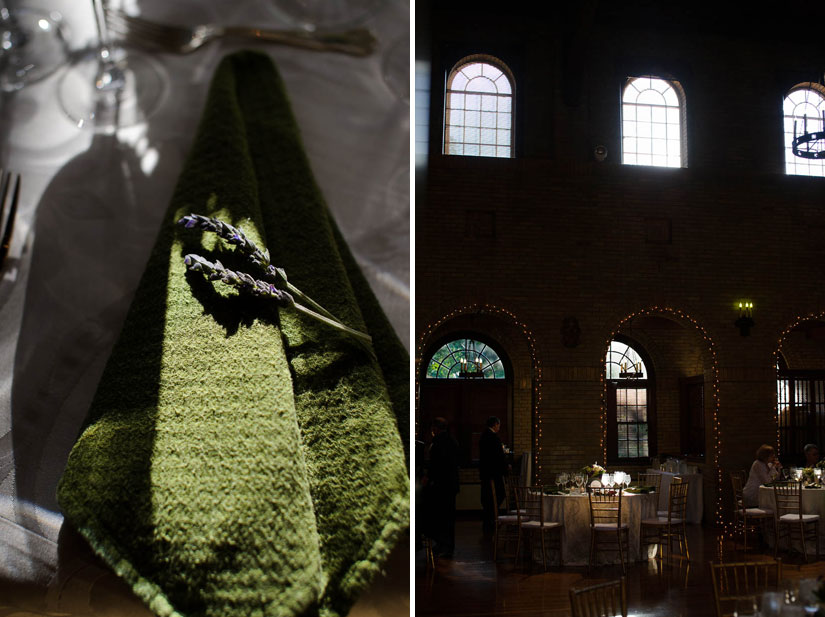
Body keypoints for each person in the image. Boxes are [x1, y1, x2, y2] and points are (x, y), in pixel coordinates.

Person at [426, 417, 460, 557]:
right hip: (451, 484)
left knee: (441, 516)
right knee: (449, 517)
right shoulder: (452, 441)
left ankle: (442, 544)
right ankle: (448, 545)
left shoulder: (438, 442)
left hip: (441, 485)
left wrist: (429, 478)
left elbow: (436, 465)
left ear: (435, 428)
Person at [479, 415, 507, 535]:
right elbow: (498, 456)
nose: (499, 427)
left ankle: (488, 523)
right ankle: (492, 520)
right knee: (499, 494)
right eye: (498, 425)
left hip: (485, 473)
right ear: (495, 424)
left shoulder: (483, 436)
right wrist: (505, 467)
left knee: (487, 499)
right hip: (494, 473)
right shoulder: (494, 438)